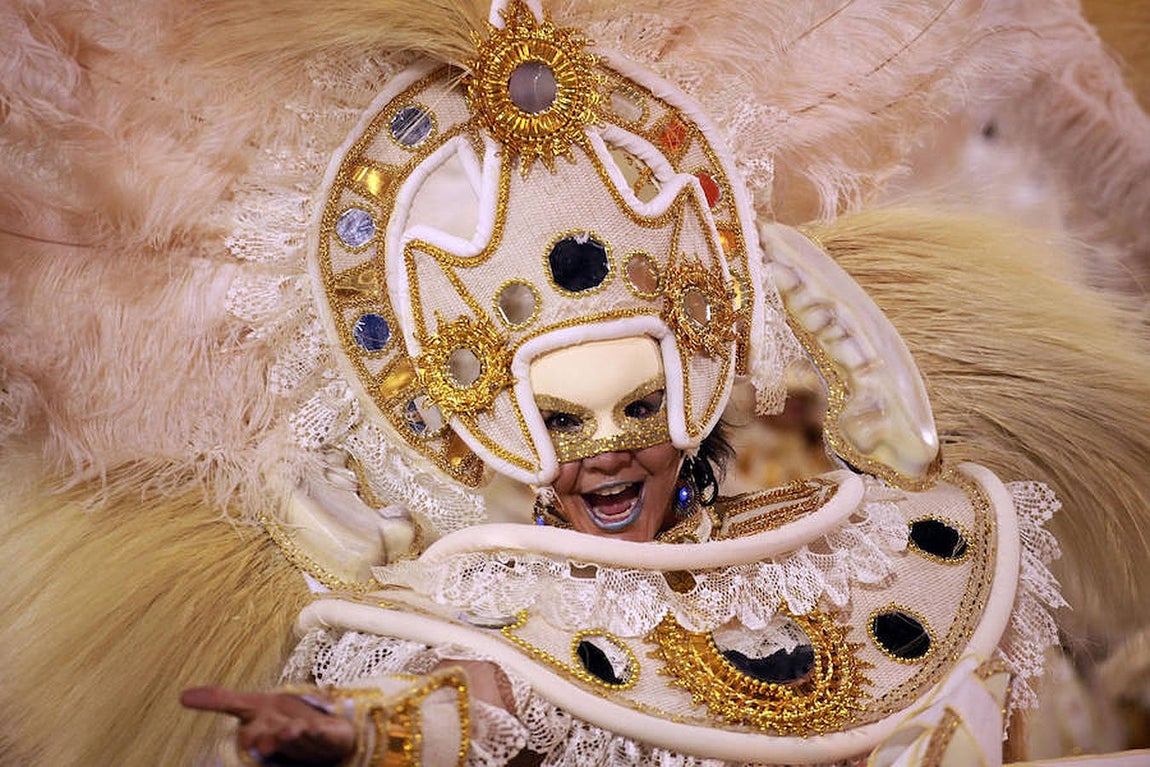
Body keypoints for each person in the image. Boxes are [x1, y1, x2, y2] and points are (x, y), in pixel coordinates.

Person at [3, 1, 1150, 766]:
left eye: (638, 411)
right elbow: (468, 702)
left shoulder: (880, 536)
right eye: (558, 419)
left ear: (693, 395)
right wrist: (352, 730)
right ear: (489, 423)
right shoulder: (490, 603)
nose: (604, 451)